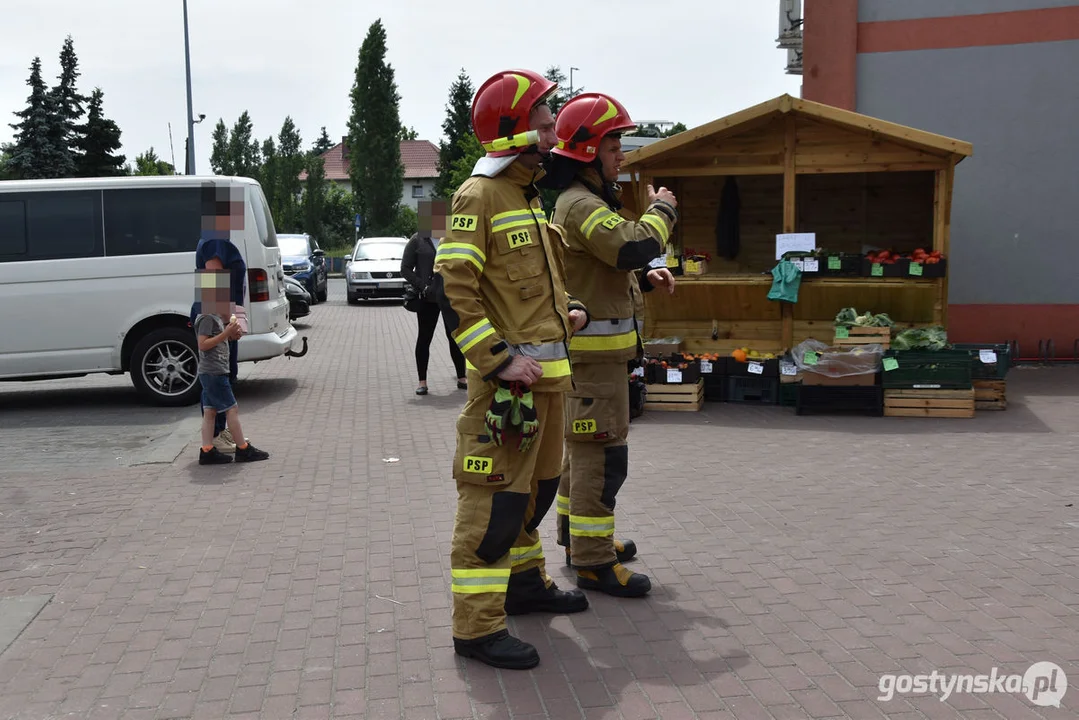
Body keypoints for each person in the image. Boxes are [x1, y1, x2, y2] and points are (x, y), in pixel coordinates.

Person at [434, 68, 591, 670]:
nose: (555, 130)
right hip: (508, 394)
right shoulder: (480, 196)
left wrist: (569, 311)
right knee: (494, 506)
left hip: (548, 386)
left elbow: (530, 290)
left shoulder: (527, 195)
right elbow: (457, 292)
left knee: (538, 493)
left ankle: (525, 586)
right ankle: (475, 629)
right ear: (513, 130)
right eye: (545, 120)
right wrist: (498, 360)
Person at [540, 92, 678, 598]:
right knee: (601, 460)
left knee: (581, 456)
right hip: (593, 367)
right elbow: (630, 245)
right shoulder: (581, 204)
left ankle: (579, 543)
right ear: (588, 151)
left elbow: (604, 273)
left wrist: (645, 278)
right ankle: (595, 561)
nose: (622, 154)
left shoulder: (583, 201)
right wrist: (664, 208)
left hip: (598, 363)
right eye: (614, 143)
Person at [190, 183, 247, 453]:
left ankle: (211, 438)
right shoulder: (215, 240)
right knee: (220, 374)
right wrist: (229, 323)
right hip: (217, 315)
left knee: (216, 376)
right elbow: (215, 283)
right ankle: (216, 437)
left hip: (215, 313)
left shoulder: (212, 238)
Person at [193, 268, 269, 465]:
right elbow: (202, 344)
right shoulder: (207, 318)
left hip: (212, 372)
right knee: (232, 408)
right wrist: (226, 334)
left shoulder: (215, 316)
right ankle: (243, 448)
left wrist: (231, 333)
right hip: (214, 372)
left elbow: (217, 339)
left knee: (210, 411)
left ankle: (207, 450)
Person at [401, 200, 468, 395]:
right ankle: (422, 382)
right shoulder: (417, 239)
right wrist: (423, 285)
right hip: (427, 298)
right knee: (424, 338)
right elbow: (405, 269)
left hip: (450, 296)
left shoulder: (452, 238)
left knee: (455, 337)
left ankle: (462, 377)